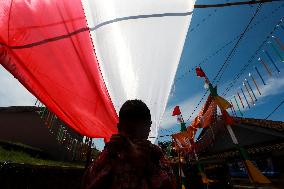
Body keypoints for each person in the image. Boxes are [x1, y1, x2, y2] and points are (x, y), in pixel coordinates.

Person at [82, 99, 176, 189]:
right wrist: (107, 155)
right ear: (119, 129)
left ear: (148, 129)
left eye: (140, 134)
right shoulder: (113, 152)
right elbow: (87, 183)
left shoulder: (155, 153)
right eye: (130, 133)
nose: (134, 140)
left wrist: (147, 164)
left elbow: (171, 185)